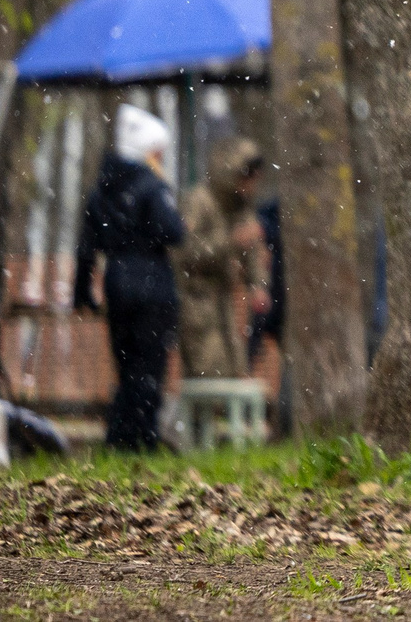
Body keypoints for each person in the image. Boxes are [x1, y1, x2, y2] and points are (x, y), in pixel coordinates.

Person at [72, 104, 184, 451]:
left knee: (126, 363)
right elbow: (173, 232)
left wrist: (82, 291)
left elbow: (86, 246)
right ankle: (141, 438)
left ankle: (120, 437)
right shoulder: (152, 186)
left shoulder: (102, 188)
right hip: (152, 284)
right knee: (149, 365)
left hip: (117, 283)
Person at [176, 137, 269, 380]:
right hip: (197, 302)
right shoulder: (199, 202)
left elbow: (251, 252)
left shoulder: (241, 209)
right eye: (248, 178)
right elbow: (185, 253)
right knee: (206, 373)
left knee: (234, 371)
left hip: (225, 304)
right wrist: (229, 242)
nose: (252, 186)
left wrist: (258, 284)